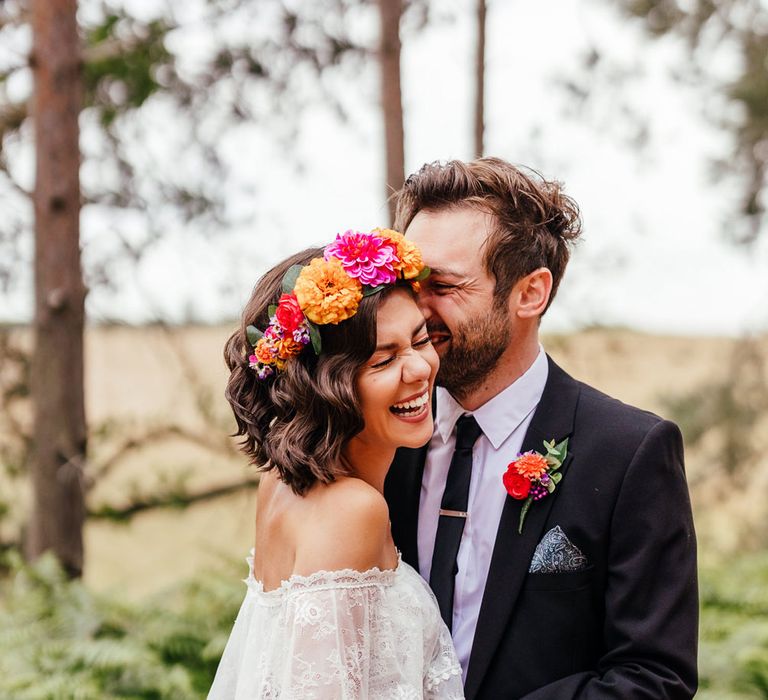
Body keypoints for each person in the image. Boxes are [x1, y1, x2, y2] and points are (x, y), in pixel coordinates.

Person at [384, 158, 698, 699]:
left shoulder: (629, 453)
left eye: (444, 287)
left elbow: (652, 677)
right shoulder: (377, 438)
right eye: (412, 284)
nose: (418, 309)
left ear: (531, 293)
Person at [208, 231, 465, 699]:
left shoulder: (281, 483)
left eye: (421, 339)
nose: (420, 369)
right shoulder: (352, 510)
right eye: (383, 360)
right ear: (325, 386)